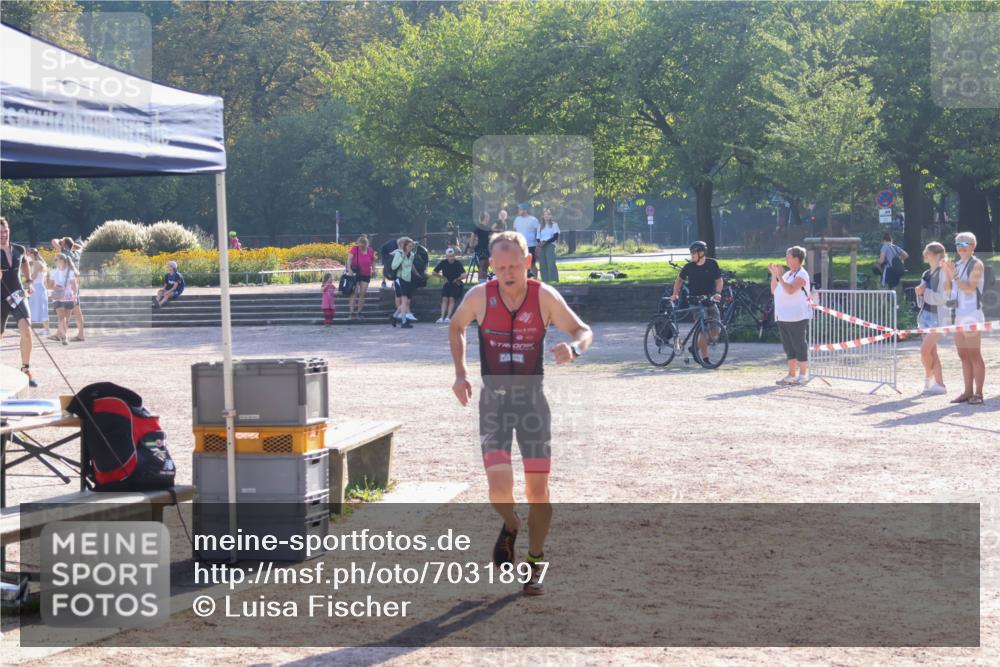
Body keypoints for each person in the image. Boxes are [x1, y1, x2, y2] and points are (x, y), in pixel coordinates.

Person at [448, 230, 592, 596]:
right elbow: (456, 325)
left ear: (528, 262)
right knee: (498, 489)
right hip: (493, 402)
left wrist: (574, 348)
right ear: (491, 265)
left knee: (538, 492)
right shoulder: (480, 296)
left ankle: (535, 559)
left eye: (515, 266)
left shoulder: (543, 296)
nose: (509, 273)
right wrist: (461, 374)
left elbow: (583, 329)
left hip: (531, 403)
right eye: (501, 267)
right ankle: (511, 524)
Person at [941, 232, 986, 405]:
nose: (961, 247)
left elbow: (969, 288)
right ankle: (967, 392)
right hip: (957, 315)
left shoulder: (977, 264)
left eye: (965, 243)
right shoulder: (957, 265)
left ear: (973, 246)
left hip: (972, 315)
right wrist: (946, 273)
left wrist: (954, 275)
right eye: (958, 244)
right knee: (963, 354)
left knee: (974, 354)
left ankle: (979, 393)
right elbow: (948, 290)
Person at [671, 241, 723, 365]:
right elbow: (679, 281)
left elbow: (719, 280)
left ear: (702, 252)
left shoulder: (712, 264)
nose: (692, 255)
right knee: (702, 330)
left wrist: (718, 293)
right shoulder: (689, 267)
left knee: (716, 330)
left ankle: (694, 347)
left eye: (694, 253)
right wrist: (675, 294)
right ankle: (705, 359)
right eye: (691, 253)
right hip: (695, 301)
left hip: (709, 300)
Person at [1, 218, 38, 386]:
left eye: (5, 231)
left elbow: (24, 263)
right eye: (0, 233)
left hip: (17, 295)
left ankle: (25, 369)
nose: (3, 235)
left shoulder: (18, 249)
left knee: (26, 330)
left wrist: (29, 281)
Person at [769, 246, 811, 385]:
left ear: (796, 259)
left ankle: (803, 374)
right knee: (789, 347)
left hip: (797, 316)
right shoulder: (788, 275)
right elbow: (774, 290)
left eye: (788, 257)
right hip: (783, 316)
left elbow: (791, 290)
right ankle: (791, 374)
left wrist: (780, 276)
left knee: (799, 344)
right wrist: (774, 276)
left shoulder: (802, 274)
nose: (786, 259)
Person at [913, 242, 948, 395]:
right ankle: (938, 383)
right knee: (931, 352)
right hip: (924, 315)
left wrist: (924, 292)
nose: (924, 254)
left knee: (924, 350)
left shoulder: (943, 272)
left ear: (936, 254)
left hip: (938, 317)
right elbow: (922, 297)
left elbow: (943, 298)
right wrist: (918, 292)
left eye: (927, 252)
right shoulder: (926, 273)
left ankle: (930, 377)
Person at [53, 236, 86, 341]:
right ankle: (62, 333)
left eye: (62, 242)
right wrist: (71, 243)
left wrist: (60, 241)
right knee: (74, 310)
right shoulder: (77, 253)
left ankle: (67, 334)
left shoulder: (65, 252)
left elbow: (53, 241)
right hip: (75, 284)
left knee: (70, 310)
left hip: (68, 284)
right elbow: (82, 246)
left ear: (64, 245)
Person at [390, 237, 423, 329]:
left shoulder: (411, 255)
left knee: (406, 301)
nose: (411, 248)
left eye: (412, 246)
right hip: (400, 279)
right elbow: (393, 266)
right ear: (405, 246)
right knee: (404, 301)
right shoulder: (399, 254)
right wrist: (402, 257)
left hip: (408, 279)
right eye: (409, 246)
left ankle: (394, 317)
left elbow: (410, 266)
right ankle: (404, 322)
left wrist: (417, 274)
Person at [50, 253, 79, 345]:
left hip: (68, 297)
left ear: (63, 260)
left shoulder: (70, 272)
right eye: (55, 260)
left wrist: (75, 296)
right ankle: (64, 337)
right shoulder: (54, 271)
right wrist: (55, 287)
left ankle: (63, 335)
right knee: (61, 317)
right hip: (58, 297)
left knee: (67, 318)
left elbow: (74, 286)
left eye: (56, 259)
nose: (55, 261)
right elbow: (49, 285)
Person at [433, 247, 466, 323]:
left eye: (452, 256)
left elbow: (464, 275)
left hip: (455, 283)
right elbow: (434, 272)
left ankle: (448, 317)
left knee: (451, 299)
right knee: (444, 299)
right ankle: (442, 317)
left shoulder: (458, 263)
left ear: (454, 255)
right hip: (447, 283)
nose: (451, 257)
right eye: (449, 256)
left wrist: (457, 279)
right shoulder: (443, 262)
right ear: (446, 256)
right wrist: (443, 277)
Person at [347, 235, 375, 320]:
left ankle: (359, 312)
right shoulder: (354, 249)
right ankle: (351, 312)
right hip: (355, 273)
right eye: (359, 245)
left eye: (362, 246)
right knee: (354, 292)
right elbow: (349, 259)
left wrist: (373, 270)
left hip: (366, 273)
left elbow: (373, 261)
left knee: (363, 292)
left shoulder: (370, 250)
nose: (361, 247)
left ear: (366, 244)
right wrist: (349, 270)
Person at [27, 248, 50, 336]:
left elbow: (34, 276)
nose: (27, 255)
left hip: (37, 287)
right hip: (40, 287)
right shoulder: (41, 263)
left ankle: (45, 330)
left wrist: (27, 283)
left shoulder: (36, 263)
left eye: (28, 253)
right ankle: (46, 330)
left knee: (32, 307)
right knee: (40, 308)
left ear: (31, 253)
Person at [513, 203, 540, 276]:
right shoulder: (517, 219)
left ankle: (535, 281)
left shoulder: (533, 220)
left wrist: (538, 245)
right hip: (520, 246)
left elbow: (537, 233)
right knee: (521, 264)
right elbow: (515, 232)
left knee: (532, 264)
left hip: (531, 245)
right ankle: (523, 281)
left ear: (525, 210)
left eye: (520, 209)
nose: (518, 211)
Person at [469, 213, 494, 283]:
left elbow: (492, 234)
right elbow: (473, 234)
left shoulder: (488, 227)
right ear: (484, 218)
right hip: (480, 248)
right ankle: (481, 283)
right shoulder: (479, 227)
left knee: (486, 266)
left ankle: (484, 282)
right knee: (482, 265)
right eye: (487, 217)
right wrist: (471, 244)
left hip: (487, 248)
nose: (488, 218)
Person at [537, 208, 560, 283]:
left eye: (548, 214)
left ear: (551, 216)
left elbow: (555, 237)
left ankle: (553, 280)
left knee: (550, 264)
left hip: (550, 245)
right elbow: (538, 237)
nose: (546, 216)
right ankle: (545, 281)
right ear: (543, 216)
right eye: (545, 214)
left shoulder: (554, 225)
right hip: (541, 245)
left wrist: (546, 242)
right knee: (542, 265)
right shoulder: (540, 225)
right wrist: (540, 243)